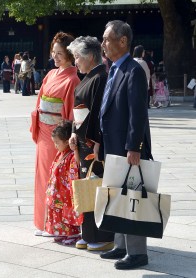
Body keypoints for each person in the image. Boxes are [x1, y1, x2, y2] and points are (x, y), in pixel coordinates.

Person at [98, 20, 152, 270]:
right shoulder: (114, 69)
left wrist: (134, 146)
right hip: (113, 145)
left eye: (108, 39)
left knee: (133, 198)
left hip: (128, 148)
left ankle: (138, 253)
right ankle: (120, 245)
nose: (103, 44)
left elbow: (137, 113)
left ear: (123, 41)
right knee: (117, 196)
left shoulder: (134, 70)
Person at [67, 36, 115, 251]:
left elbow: (98, 114)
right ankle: (88, 232)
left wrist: (96, 141)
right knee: (86, 185)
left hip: (94, 141)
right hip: (83, 138)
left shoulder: (101, 77)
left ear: (91, 56)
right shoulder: (88, 77)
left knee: (97, 185)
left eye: (77, 57)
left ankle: (104, 235)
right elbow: (78, 112)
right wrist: (73, 133)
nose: (75, 61)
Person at [32, 31, 80, 236]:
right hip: (44, 131)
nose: (56, 57)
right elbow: (40, 99)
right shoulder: (51, 74)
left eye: (60, 53)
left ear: (69, 54)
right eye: (54, 53)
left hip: (58, 136)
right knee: (42, 176)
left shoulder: (73, 79)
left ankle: (54, 223)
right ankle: (41, 222)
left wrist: (66, 137)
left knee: (56, 178)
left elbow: (70, 113)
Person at [45, 120, 82, 245]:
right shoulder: (61, 153)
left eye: (57, 143)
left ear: (67, 142)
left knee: (68, 212)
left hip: (65, 190)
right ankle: (61, 231)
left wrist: (75, 149)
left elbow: (75, 167)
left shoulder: (71, 155)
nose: (55, 145)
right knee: (57, 212)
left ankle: (73, 233)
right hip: (58, 190)